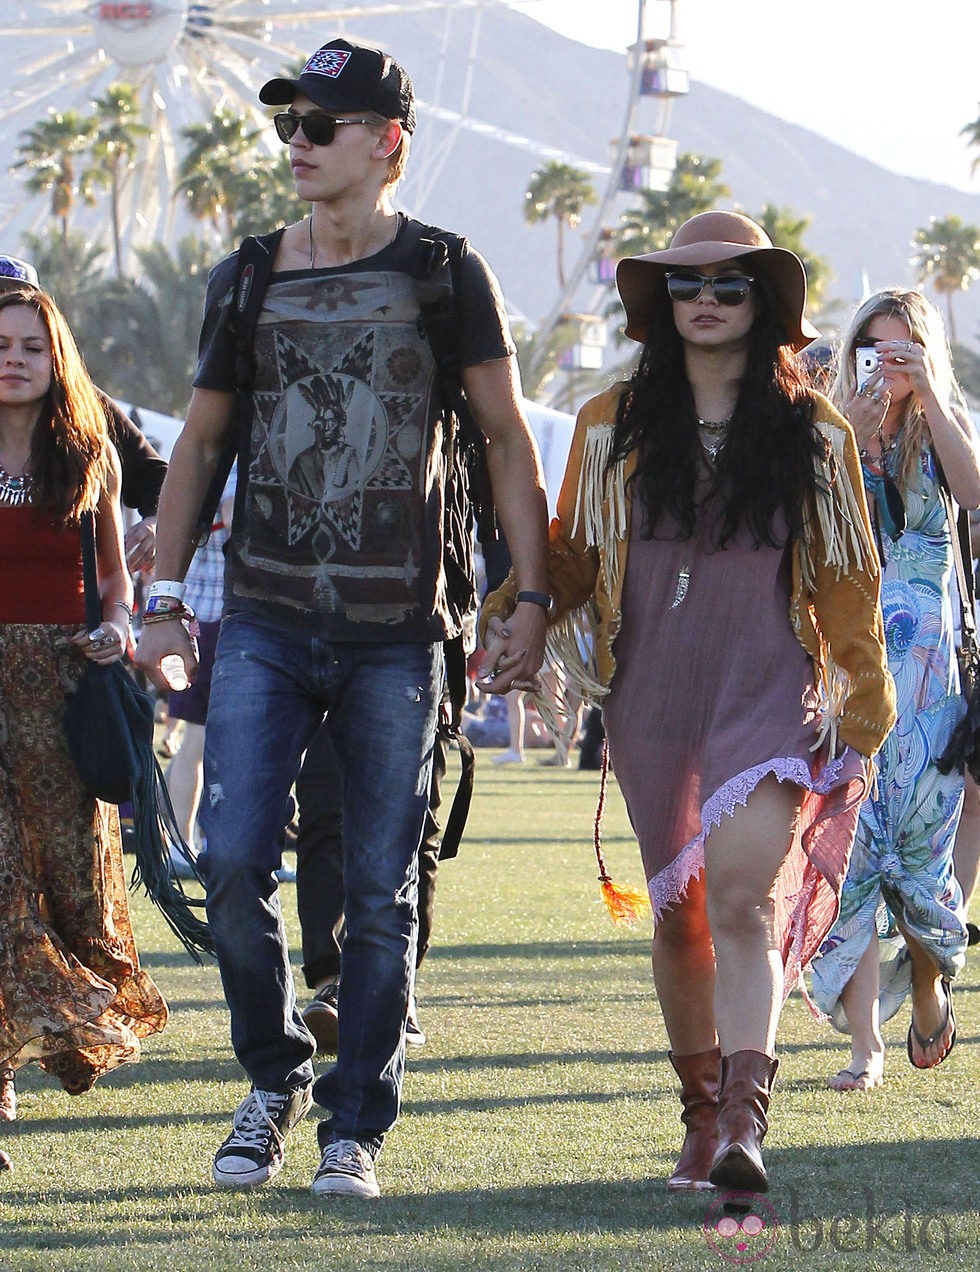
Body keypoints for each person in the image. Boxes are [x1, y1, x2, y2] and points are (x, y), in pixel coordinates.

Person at [134, 36, 548, 1200]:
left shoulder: (445, 271)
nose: (299, 146)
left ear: (388, 145)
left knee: (378, 888)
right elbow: (200, 443)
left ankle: (352, 1126)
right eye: (289, 127)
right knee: (228, 863)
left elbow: (509, 439)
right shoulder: (249, 272)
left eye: (322, 126)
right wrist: (164, 600)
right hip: (262, 615)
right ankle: (273, 1080)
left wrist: (531, 589)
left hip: (400, 632)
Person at [480, 211, 896, 1194]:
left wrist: (864, 684)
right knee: (682, 917)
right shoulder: (606, 422)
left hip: (765, 683)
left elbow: (844, 574)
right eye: (684, 285)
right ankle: (700, 1114)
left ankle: (747, 1120)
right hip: (650, 694)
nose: (704, 302)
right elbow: (574, 557)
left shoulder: (812, 431)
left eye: (727, 286)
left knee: (746, 898)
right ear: (658, 304)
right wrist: (519, 611)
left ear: (764, 306)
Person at [0, 286, 168, 1161]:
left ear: (55, 355)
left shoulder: (86, 453)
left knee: (66, 886)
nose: (14, 358)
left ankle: (65, 1020)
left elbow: (113, 580)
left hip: (62, 691)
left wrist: (117, 628)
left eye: (30, 344)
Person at [810, 289, 979, 1089]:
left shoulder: (942, 427)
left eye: (903, 346)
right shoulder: (837, 423)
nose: (888, 361)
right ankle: (864, 1049)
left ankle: (927, 982)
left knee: (920, 854)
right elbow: (811, 513)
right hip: (853, 670)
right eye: (872, 346)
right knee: (853, 853)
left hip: (931, 682)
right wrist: (850, 424)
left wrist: (934, 400)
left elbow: (975, 494)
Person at [0, 253, 167, 575]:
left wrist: (156, 524)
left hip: (60, 611)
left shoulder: (79, 404)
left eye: (13, 297)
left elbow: (155, 477)